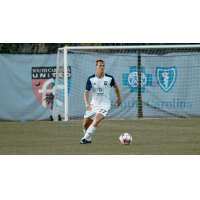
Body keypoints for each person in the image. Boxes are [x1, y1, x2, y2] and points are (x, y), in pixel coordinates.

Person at [80, 59, 121, 144]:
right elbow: (86, 92)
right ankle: (88, 139)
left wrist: (119, 98)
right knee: (85, 125)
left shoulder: (109, 78)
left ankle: (84, 139)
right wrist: (87, 103)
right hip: (93, 105)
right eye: (100, 66)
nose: (102, 67)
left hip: (105, 105)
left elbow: (115, 87)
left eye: (103, 66)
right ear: (96, 67)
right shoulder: (91, 79)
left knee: (96, 120)